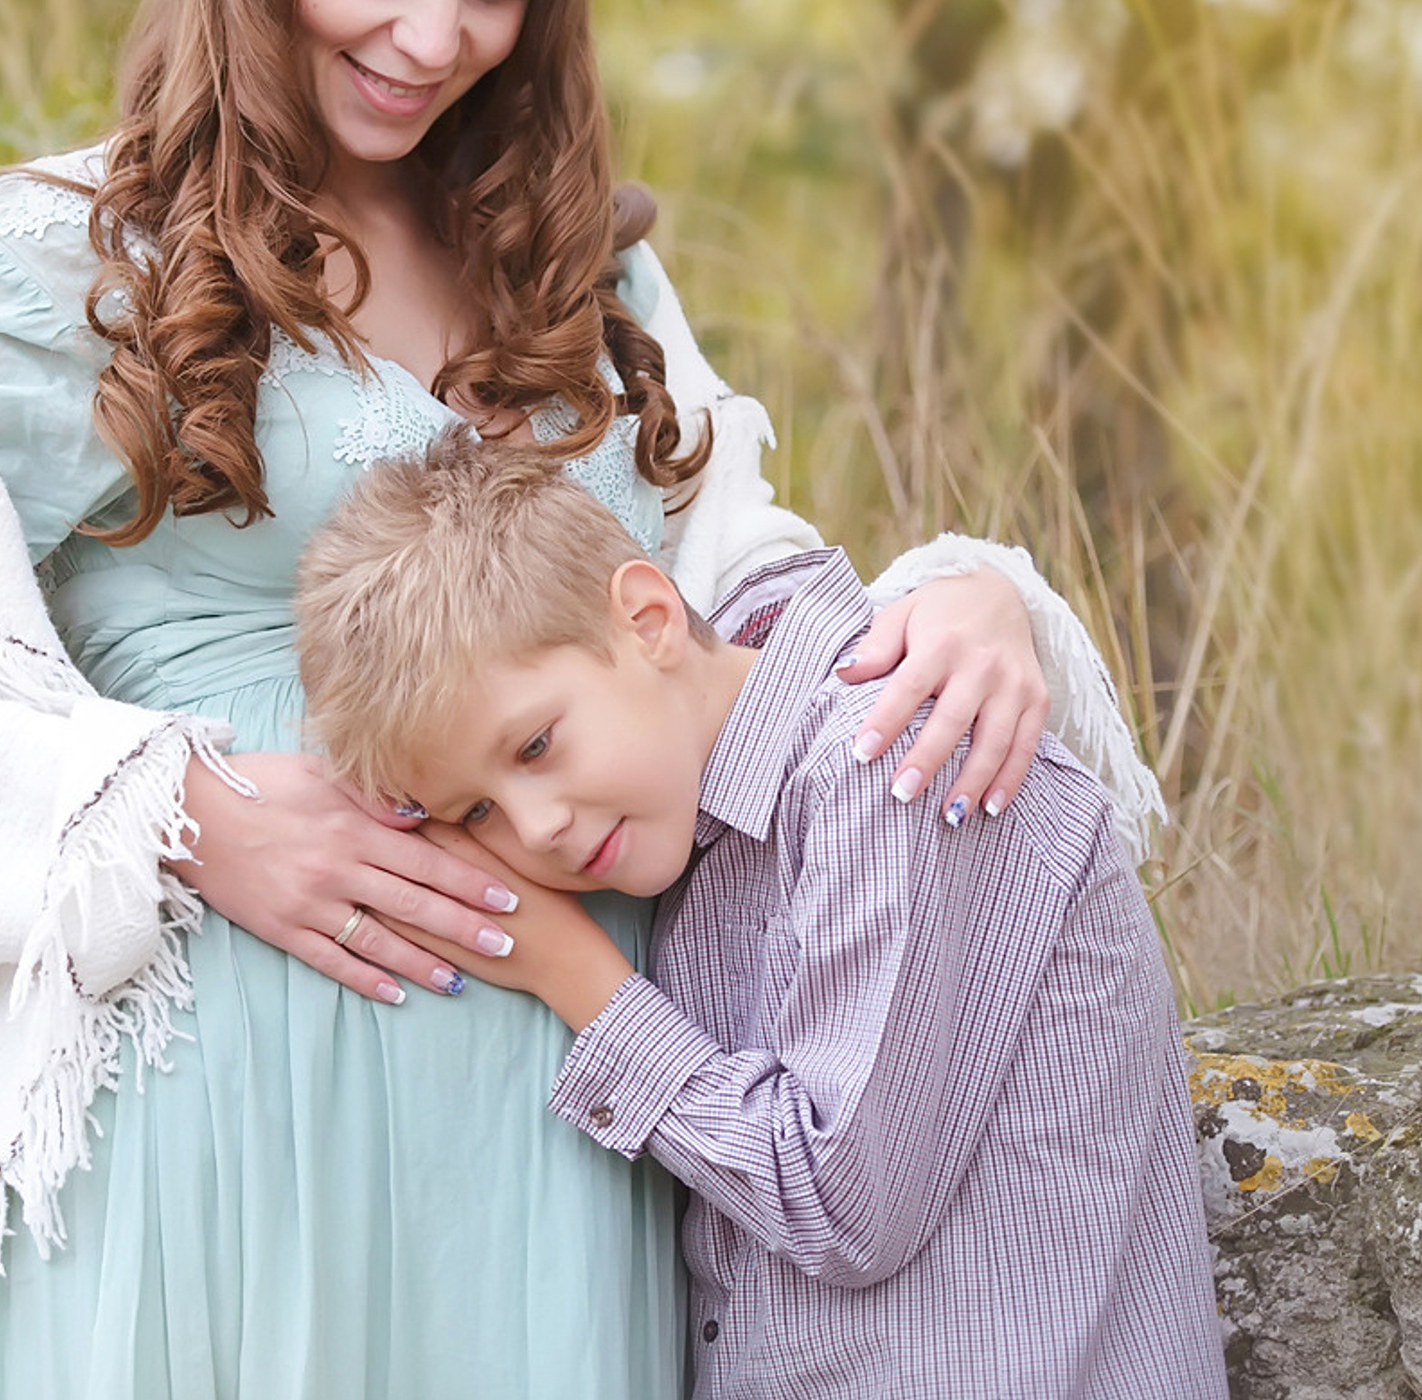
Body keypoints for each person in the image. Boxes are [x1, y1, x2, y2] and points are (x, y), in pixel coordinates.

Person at [0, 0, 1164, 1400]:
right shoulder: (78, 265)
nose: (435, 36)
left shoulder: (573, 269)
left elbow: (715, 585)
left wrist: (965, 593)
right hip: (210, 1148)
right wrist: (176, 820)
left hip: (551, 1169)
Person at [293, 432, 1226, 1400]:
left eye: (534, 746)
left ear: (650, 620)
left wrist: (578, 979)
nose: (538, 831)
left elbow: (847, 1205)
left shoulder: (887, 757)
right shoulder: (691, 819)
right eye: (476, 813)